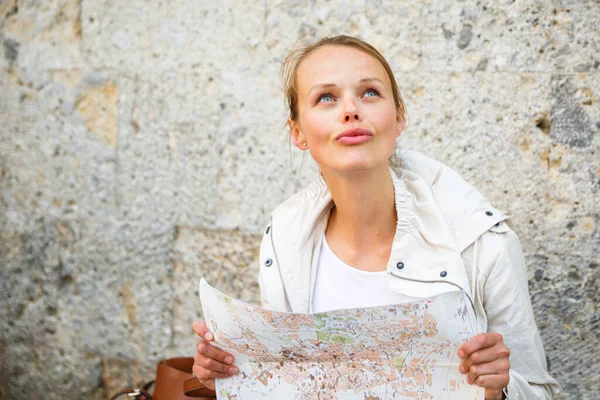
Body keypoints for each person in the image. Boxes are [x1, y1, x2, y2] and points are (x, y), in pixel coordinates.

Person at [191, 35, 560, 399]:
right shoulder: (284, 239)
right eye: (326, 97)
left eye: (369, 92)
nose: (351, 110)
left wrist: (500, 390)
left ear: (399, 118)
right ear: (298, 133)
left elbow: (540, 392)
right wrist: (233, 377)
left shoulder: (481, 243)